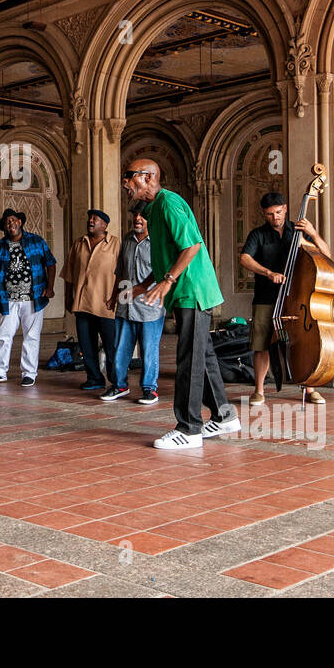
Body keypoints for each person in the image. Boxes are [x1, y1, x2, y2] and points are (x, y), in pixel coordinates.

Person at [125, 159, 239, 450]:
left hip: (192, 289)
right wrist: (146, 283)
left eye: (130, 177)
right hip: (185, 289)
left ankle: (189, 428)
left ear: (148, 177)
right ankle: (224, 416)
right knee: (203, 355)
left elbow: (192, 246)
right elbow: (168, 253)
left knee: (188, 357)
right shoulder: (154, 209)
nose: (126, 183)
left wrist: (167, 281)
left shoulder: (169, 203)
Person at [239, 191, 333, 405]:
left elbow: (327, 256)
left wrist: (314, 234)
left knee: (303, 342)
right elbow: (245, 258)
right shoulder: (258, 234)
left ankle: (310, 388)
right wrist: (268, 273)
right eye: (270, 214)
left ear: (286, 208)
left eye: (279, 212)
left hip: (298, 298)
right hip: (266, 296)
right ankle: (259, 390)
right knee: (261, 343)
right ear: (264, 213)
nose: (276, 217)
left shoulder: (299, 231)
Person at [0, 207, 56, 387]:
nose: (10, 224)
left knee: (31, 337)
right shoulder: (0, 246)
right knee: (3, 336)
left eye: (13, 220)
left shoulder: (36, 241)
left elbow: (50, 263)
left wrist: (50, 287)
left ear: (20, 222)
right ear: (4, 227)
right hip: (8, 298)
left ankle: (29, 373)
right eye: (6, 222)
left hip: (32, 298)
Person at [105, 201, 165, 404]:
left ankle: (150, 389)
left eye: (143, 216)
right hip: (125, 305)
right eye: (135, 215)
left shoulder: (158, 241)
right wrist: (114, 296)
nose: (138, 219)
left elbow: (162, 274)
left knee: (149, 349)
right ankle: (119, 385)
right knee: (120, 348)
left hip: (150, 306)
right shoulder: (128, 240)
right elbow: (119, 272)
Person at [63, 208, 120, 392]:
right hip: (82, 303)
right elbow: (69, 273)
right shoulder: (79, 244)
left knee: (112, 347)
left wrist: (121, 299)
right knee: (87, 346)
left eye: (95, 219)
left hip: (106, 304)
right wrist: (68, 297)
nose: (91, 221)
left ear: (105, 225)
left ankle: (116, 381)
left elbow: (124, 274)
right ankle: (94, 378)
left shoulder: (116, 244)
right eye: (90, 218)